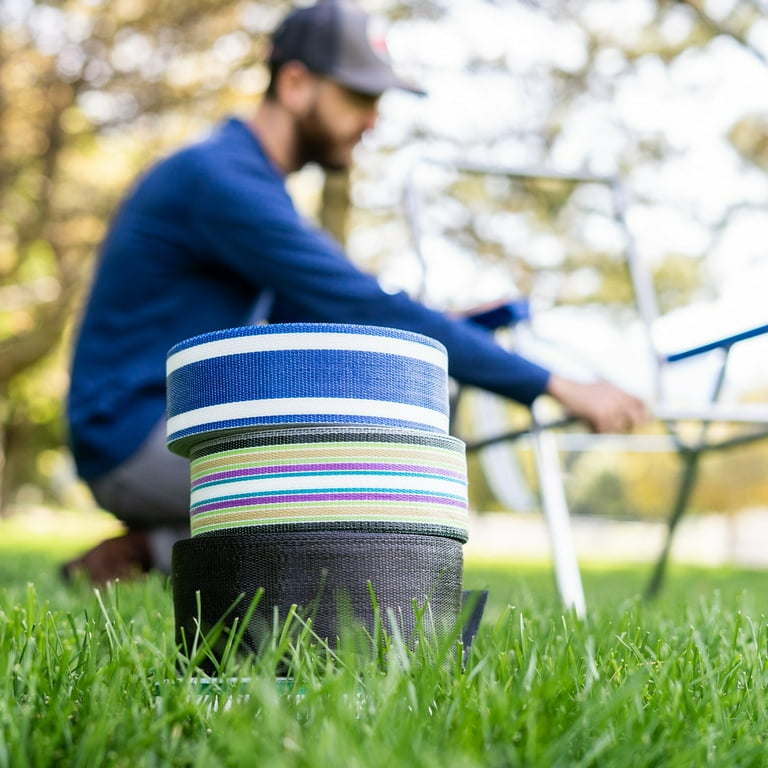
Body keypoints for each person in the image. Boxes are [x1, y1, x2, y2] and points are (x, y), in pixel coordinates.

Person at [64, 0, 648, 584]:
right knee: (362, 476)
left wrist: (440, 329)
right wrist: (554, 384)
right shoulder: (223, 183)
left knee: (354, 461)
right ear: (295, 84)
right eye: (360, 97)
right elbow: (362, 305)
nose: (373, 121)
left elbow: (333, 318)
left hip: (164, 427)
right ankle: (167, 545)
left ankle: (147, 548)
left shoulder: (244, 183)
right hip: (132, 436)